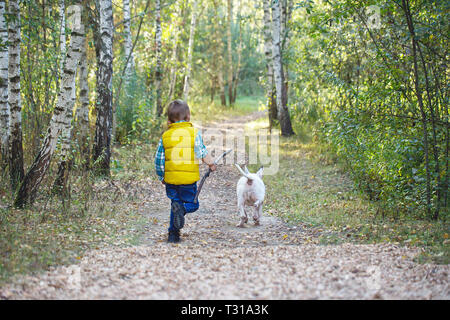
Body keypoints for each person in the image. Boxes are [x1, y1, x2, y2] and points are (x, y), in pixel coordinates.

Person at [154, 100, 216, 243]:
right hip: (188, 181)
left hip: (171, 181)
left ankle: (173, 235)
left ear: (169, 120)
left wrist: (161, 176)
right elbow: (201, 152)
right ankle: (182, 210)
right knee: (192, 204)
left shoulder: (165, 136)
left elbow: (159, 159)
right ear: (188, 117)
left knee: (174, 204)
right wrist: (211, 164)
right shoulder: (193, 133)